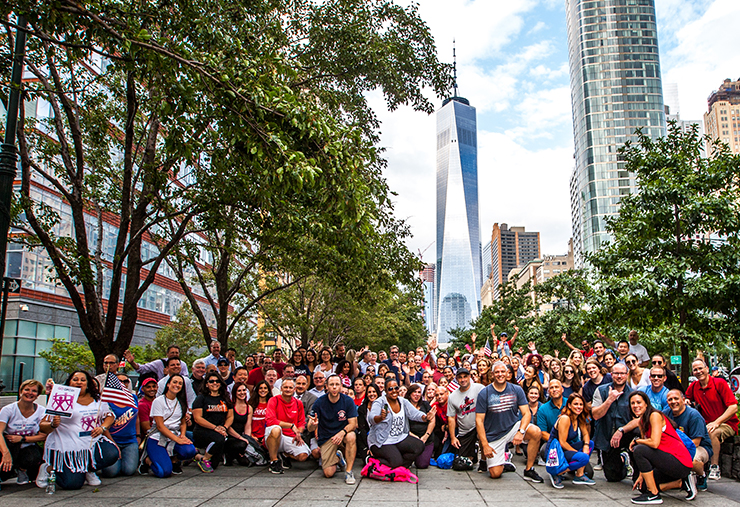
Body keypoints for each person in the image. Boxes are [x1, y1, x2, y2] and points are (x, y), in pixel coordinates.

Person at [37, 371, 118, 490]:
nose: (79, 382)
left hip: (91, 443)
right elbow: (42, 425)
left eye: (82, 380)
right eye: (75, 379)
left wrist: (102, 427)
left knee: (111, 453)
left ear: (88, 383)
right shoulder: (61, 397)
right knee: (72, 484)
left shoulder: (97, 398)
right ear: (69, 382)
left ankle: (88, 469)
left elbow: (110, 416)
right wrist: (53, 425)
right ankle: (48, 468)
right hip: (67, 447)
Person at [475, 361, 543, 482]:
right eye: (497, 372)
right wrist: (484, 446)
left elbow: (526, 413)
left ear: (507, 373)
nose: (500, 374)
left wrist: (521, 432)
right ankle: (502, 463)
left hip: (512, 428)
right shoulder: (484, 393)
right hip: (494, 435)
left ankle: (529, 469)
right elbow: (479, 421)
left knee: (536, 431)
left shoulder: (516, 390)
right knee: (495, 474)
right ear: (492, 374)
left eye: (503, 372)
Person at [628, 391, 694, 504]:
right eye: (632, 403)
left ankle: (654, 495)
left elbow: (654, 443)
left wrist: (636, 441)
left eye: (639, 402)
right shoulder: (642, 421)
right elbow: (647, 445)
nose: (635, 406)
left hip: (679, 461)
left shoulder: (655, 415)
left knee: (639, 449)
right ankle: (682, 483)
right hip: (665, 461)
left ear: (646, 404)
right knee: (643, 486)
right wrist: (641, 475)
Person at [686, 358, 738, 480]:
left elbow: (733, 407)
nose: (698, 371)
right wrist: (687, 401)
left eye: (700, 368)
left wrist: (717, 422)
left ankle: (715, 467)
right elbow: (685, 399)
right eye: (695, 369)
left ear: (707, 369)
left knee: (712, 432)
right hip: (706, 424)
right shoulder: (694, 386)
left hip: (727, 423)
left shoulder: (719, 383)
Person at [367, 379, 435, 469]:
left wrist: (425, 417)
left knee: (419, 446)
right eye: (390, 389)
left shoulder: (403, 401)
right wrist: (380, 417)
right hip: (382, 441)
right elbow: (371, 418)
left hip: (399, 438)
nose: (394, 391)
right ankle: (371, 460)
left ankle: (399, 467)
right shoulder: (380, 402)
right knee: (396, 461)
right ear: (385, 391)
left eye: (396, 388)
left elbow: (414, 414)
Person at [307, 375, 358, 484]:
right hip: (327, 437)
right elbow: (309, 427)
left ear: (341, 386)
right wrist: (314, 424)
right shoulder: (319, 402)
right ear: (327, 386)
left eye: (337, 384)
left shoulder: (348, 401)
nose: (334, 387)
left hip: (342, 434)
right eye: (331, 384)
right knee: (328, 473)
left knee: (351, 436)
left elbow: (353, 424)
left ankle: (349, 471)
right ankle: (338, 457)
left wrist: (342, 432)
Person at [144, 374, 198, 478]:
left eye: (180, 383)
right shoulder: (158, 401)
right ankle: (148, 461)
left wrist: (182, 435)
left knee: (190, 450)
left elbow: (182, 422)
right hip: (158, 438)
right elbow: (160, 426)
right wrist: (178, 440)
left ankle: (172, 460)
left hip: (174, 436)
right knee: (163, 472)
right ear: (168, 384)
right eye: (174, 382)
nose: (177, 385)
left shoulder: (181, 402)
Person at [592, 362, 634, 482]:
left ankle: (628, 456)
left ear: (627, 375)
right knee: (613, 477)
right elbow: (595, 415)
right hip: (607, 439)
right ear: (611, 375)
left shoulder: (633, 394)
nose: (619, 376)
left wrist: (621, 431)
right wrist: (609, 400)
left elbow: (639, 419)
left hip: (626, 436)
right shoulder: (601, 390)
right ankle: (623, 462)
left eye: (622, 373)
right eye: (616, 373)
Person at [663, 389, 712, 491]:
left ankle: (701, 475)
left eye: (676, 398)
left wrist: (675, 450)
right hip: (676, 446)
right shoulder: (665, 414)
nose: (673, 402)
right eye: (670, 399)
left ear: (683, 399)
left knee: (692, 459)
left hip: (699, 447)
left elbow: (696, 442)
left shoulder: (694, 415)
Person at [0, 379, 47, 487]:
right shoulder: (8, 410)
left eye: (34, 391)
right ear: (21, 391)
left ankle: (22, 470)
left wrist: (22, 438)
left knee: (32, 457)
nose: (30, 393)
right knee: (5, 463)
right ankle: (5, 473)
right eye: (27, 389)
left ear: (38, 395)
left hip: (28, 447)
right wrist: (5, 453)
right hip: (9, 445)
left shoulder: (41, 411)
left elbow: (43, 435)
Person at [548, 393, 595, 488]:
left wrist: (585, 446)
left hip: (566, 449)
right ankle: (557, 472)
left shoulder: (579, 417)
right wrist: (578, 453)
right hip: (556, 452)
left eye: (581, 404)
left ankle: (579, 475)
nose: (579, 407)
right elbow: (562, 442)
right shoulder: (565, 418)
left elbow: (585, 434)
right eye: (576, 404)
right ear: (569, 405)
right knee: (583, 458)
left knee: (590, 444)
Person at [265, 378, 310, 474]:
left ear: (294, 389)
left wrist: (299, 433)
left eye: (290, 387)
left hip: (291, 436)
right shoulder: (273, 400)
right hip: (275, 436)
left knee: (303, 456)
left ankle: (285, 454)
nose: (288, 389)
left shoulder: (298, 403)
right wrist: (290, 426)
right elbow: (270, 420)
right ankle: (274, 461)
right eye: (285, 387)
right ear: (281, 388)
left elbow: (302, 422)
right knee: (276, 429)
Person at [192, 371, 234, 472]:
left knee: (214, 465)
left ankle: (198, 456)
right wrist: (215, 428)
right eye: (211, 381)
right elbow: (198, 418)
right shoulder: (201, 398)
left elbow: (230, 416)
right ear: (206, 384)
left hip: (220, 430)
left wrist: (224, 427)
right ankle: (205, 459)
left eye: (217, 381)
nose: (214, 383)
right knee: (219, 438)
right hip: (203, 430)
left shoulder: (225, 398)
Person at [102, 373, 140, 478]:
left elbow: (137, 418)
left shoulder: (133, 397)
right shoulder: (106, 400)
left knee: (129, 471)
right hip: (111, 439)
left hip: (130, 441)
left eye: (125, 381)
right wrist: (113, 444)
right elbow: (103, 425)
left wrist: (138, 435)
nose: (123, 383)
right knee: (111, 472)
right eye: (119, 381)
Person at [447, 368, 484, 463]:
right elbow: (451, 418)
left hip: (481, 425)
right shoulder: (452, 397)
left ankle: (483, 461)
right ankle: (473, 451)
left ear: (469, 377)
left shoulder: (479, 388)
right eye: (460, 377)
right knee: (463, 461)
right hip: (465, 431)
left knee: (483, 437)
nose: (463, 380)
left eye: (465, 377)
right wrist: (453, 437)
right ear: (456, 379)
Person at [405, 384, 435, 468]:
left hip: (426, 439)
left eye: (419, 392)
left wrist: (426, 436)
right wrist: (413, 436)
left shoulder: (425, 404)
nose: (417, 394)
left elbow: (432, 421)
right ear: (410, 393)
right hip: (410, 438)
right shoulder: (404, 405)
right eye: (414, 392)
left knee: (422, 464)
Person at [124, 345, 189, 380]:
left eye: (176, 353)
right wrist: (132, 362)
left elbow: (186, 379)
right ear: (167, 354)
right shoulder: (159, 363)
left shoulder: (183, 364)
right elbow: (142, 369)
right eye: (172, 353)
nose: (174, 354)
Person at [226, 382, 253, 466]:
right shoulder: (230, 406)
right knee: (241, 444)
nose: (242, 393)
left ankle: (238, 455)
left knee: (245, 463)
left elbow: (248, 426)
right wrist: (240, 438)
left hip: (242, 437)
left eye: (244, 390)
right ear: (235, 392)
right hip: (230, 436)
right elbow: (228, 426)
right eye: (239, 391)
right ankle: (227, 455)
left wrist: (247, 438)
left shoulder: (249, 408)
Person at [357, 384, 380, 458]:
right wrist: (369, 446)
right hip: (366, 438)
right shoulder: (362, 409)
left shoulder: (383, 407)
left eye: (374, 391)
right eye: (369, 392)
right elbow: (362, 428)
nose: (372, 394)